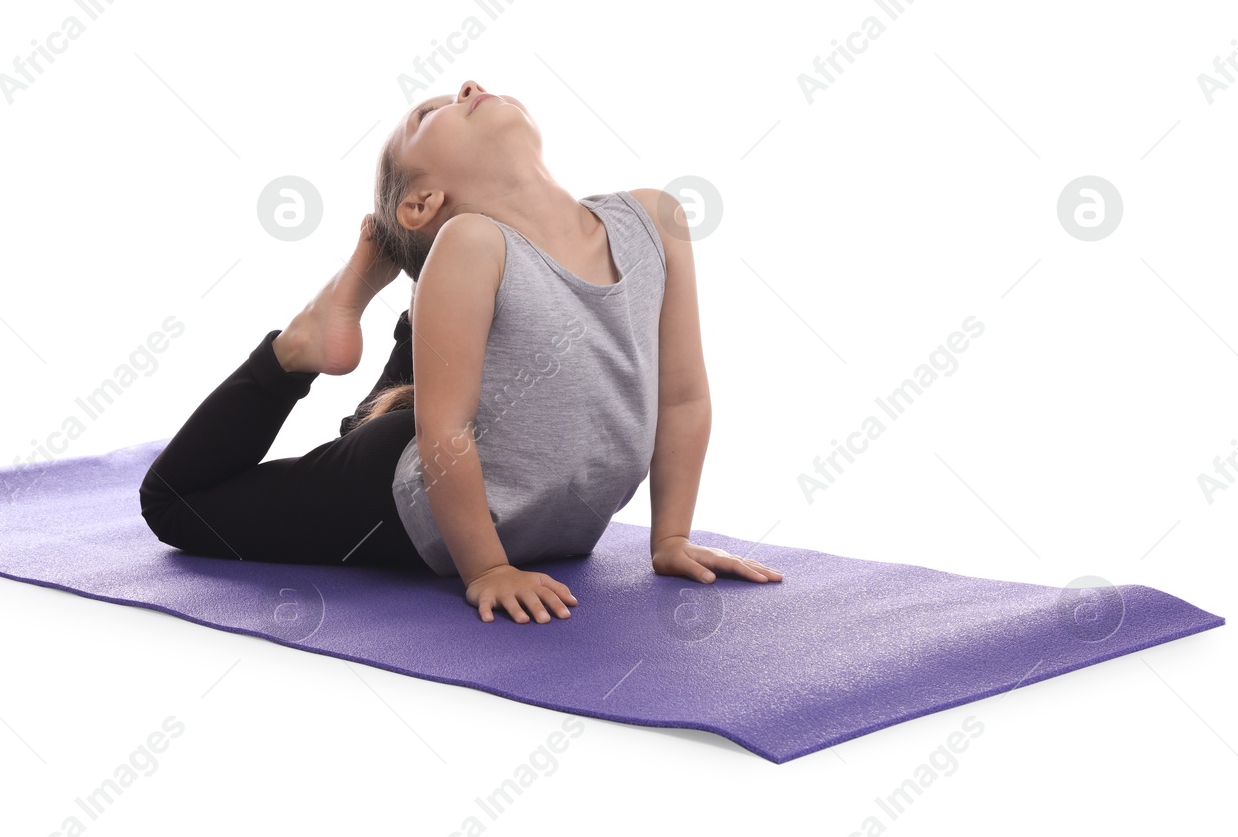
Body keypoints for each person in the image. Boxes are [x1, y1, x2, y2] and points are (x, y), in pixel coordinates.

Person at [139, 79, 782, 625]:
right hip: (406, 494)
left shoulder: (655, 219)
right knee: (176, 506)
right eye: (429, 113)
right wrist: (489, 568)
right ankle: (303, 343)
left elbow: (683, 394)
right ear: (420, 203)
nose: (471, 86)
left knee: (436, 360)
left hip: (523, 494)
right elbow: (442, 429)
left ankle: (360, 299)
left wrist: (669, 537)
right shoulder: (471, 241)